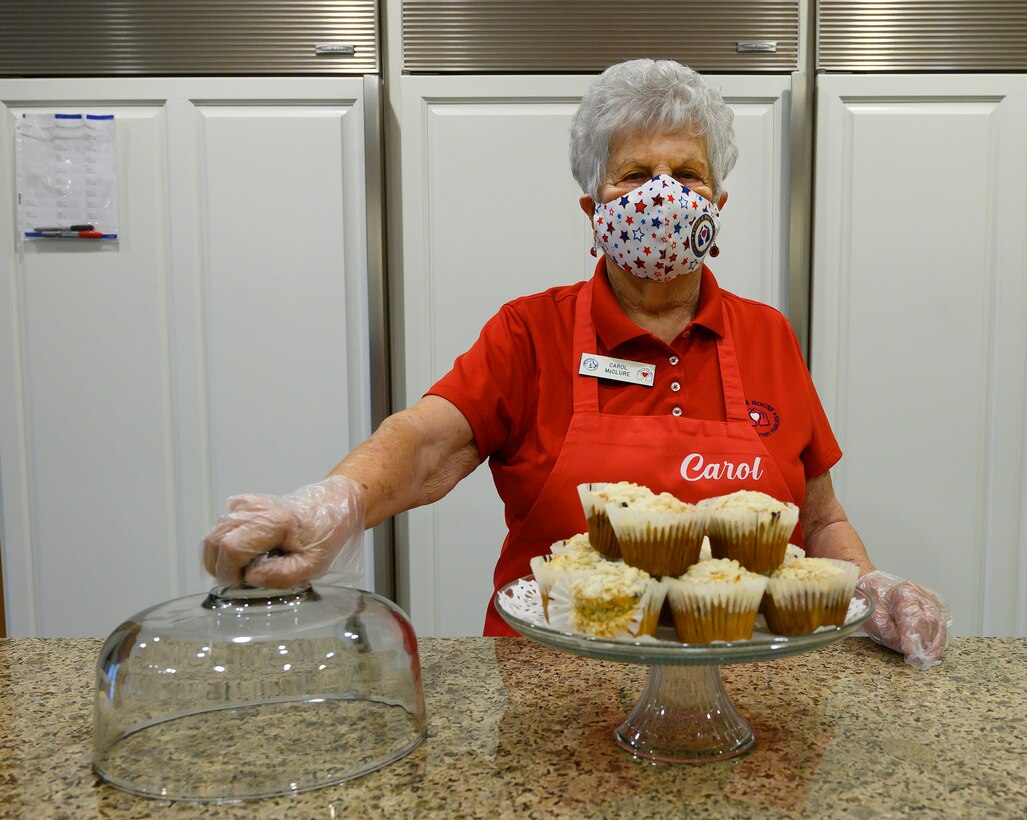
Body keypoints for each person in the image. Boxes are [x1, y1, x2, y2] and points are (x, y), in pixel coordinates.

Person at [203, 59, 948, 668]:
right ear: (593, 211)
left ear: (715, 206)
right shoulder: (531, 331)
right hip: (556, 690)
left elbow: (817, 518)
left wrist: (869, 584)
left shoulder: (767, 335)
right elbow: (427, 442)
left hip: (755, 686)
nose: (661, 193)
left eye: (685, 173)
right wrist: (330, 505)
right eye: (632, 174)